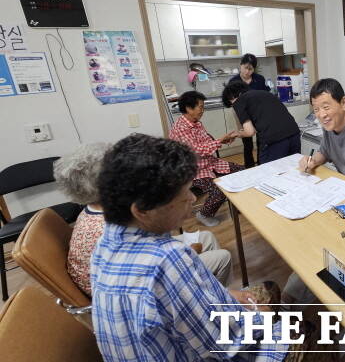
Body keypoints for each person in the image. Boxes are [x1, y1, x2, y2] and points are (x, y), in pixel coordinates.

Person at [91, 134, 288, 361]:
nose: (193, 199)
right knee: (301, 327)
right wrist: (260, 315)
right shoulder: (167, 260)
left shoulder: (105, 242)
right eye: (184, 194)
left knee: (267, 292)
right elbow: (227, 346)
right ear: (142, 210)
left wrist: (226, 296)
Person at [54, 143, 233, 295]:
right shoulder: (118, 226)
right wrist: (191, 251)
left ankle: (213, 294)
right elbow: (159, 267)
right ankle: (210, 303)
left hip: (121, 277)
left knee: (207, 237)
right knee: (222, 257)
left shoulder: (93, 210)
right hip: (135, 291)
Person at [169, 90, 242, 227]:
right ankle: (204, 214)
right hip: (193, 170)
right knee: (220, 189)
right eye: (200, 107)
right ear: (189, 108)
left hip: (208, 163)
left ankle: (237, 205)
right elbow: (195, 151)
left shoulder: (196, 122)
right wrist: (220, 141)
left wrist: (223, 141)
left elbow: (206, 143)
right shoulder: (181, 128)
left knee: (242, 172)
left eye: (203, 107)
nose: (203, 110)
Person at [222, 81, 301, 164]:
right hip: (294, 134)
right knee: (293, 168)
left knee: (268, 172)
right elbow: (261, 124)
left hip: (274, 140)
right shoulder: (265, 93)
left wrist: (236, 134)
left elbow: (250, 132)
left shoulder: (239, 102)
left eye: (231, 104)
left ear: (231, 97)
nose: (233, 106)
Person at [228, 53, 270, 168]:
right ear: (240, 65)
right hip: (242, 114)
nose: (247, 71)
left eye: (250, 69)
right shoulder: (233, 81)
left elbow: (265, 95)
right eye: (245, 68)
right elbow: (232, 100)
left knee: (261, 141)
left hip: (258, 113)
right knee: (247, 143)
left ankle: (262, 164)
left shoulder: (259, 79)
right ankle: (249, 166)